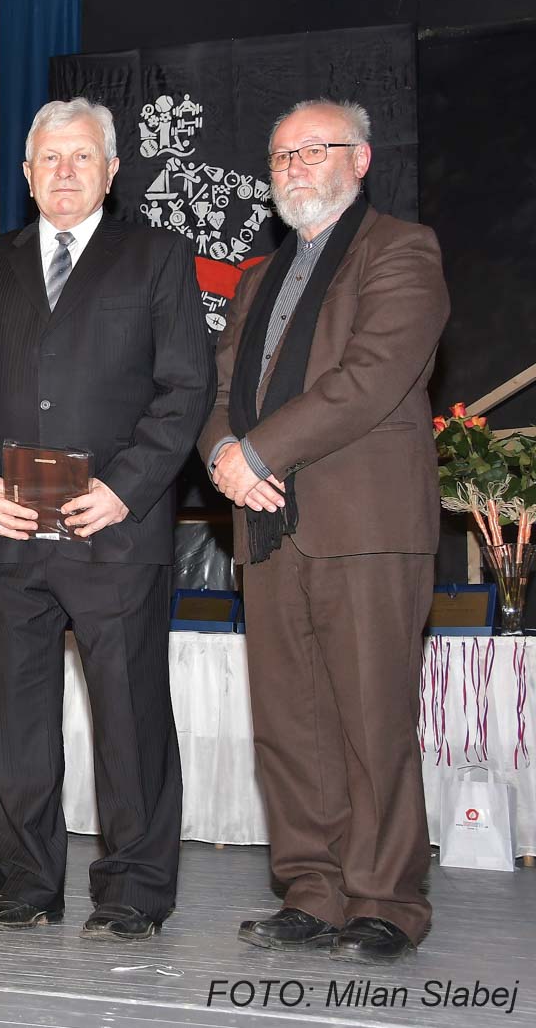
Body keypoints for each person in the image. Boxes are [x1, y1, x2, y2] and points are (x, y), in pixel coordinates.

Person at [0, 98, 213, 940]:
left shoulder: (157, 257)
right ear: (26, 173)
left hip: (115, 529)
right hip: (7, 530)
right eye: (49, 158)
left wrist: (124, 487)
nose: (64, 171)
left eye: (82, 156)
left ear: (112, 170)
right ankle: (26, 883)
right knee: (19, 721)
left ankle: (132, 891)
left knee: (130, 718)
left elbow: (187, 386)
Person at [201, 99, 449, 963]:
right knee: (290, 723)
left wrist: (257, 451)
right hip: (268, 524)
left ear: (361, 159)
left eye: (315, 149)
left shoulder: (403, 249)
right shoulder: (258, 277)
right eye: (281, 156)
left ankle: (385, 899)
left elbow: (371, 375)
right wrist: (224, 452)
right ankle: (312, 888)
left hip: (366, 522)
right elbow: (221, 387)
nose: (295, 166)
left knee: (373, 720)